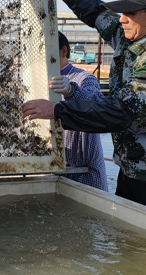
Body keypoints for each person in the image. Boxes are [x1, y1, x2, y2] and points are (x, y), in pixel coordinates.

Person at [23, 0, 146, 220]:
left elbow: (120, 112)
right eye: (123, 12)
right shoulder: (131, 38)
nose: (122, 19)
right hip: (132, 168)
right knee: (127, 236)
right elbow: (96, 13)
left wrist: (57, 111)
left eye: (131, 13)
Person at [50, 31, 107, 191]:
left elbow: (97, 105)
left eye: (48, 51)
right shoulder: (37, 82)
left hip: (84, 174)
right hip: (50, 172)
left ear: (64, 51)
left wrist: (70, 91)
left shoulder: (84, 78)